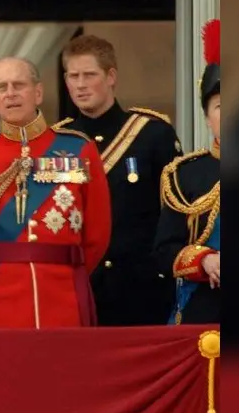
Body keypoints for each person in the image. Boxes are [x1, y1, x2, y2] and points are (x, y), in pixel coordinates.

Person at [0, 57, 111, 329]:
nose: (10, 93)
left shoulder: (79, 149)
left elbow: (97, 234)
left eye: (19, 85)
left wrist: (69, 273)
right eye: (2, 87)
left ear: (38, 93)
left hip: (63, 294)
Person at [61, 35, 182, 326]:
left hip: (140, 290)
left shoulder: (152, 134)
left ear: (111, 76)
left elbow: (174, 214)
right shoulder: (59, 141)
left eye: (89, 75)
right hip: (80, 288)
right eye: (73, 76)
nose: (80, 84)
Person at [153, 19, 221, 325]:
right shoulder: (184, 175)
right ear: (207, 117)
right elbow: (164, 249)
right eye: (220, 105)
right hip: (202, 309)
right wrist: (204, 259)